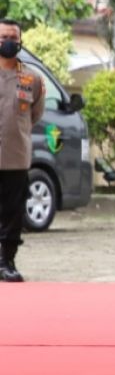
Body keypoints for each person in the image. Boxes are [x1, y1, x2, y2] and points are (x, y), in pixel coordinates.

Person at [0, 19, 44, 283]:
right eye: (4, 36)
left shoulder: (31, 78)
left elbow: (35, 114)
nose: (8, 42)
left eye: (13, 38)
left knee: (13, 214)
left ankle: (7, 262)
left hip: (16, 157)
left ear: (20, 41)